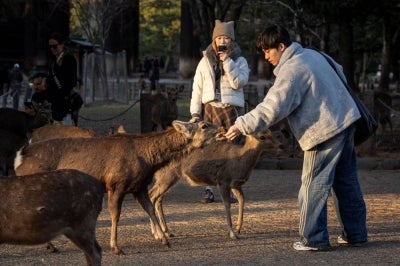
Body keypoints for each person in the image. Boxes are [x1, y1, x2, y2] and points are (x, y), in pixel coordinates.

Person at [225, 25, 367, 250]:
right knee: (346, 182)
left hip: (324, 130)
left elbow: (272, 107)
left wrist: (242, 124)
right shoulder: (313, 54)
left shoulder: (292, 69)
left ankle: (314, 239)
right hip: (346, 120)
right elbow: (339, 72)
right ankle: (356, 234)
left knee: (313, 185)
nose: (266, 56)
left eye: (268, 51)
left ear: (281, 47)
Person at [189, 19, 249, 203]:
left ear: (232, 41)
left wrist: (228, 63)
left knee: (230, 148)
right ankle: (209, 189)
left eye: (226, 38)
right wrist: (195, 113)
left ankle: (229, 189)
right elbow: (197, 88)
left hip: (230, 110)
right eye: (219, 37)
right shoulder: (204, 61)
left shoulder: (239, 60)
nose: (223, 41)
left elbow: (239, 83)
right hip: (210, 109)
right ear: (214, 40)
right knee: (209, 149)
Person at [47, 32, 78, 124]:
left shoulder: (69, 59)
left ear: (62, 45)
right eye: (50, 46)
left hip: (64, 100)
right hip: (54, 101)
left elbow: (72, 81)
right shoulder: (53, 61)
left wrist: (63, 94)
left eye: (55, 46)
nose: (52, 49)